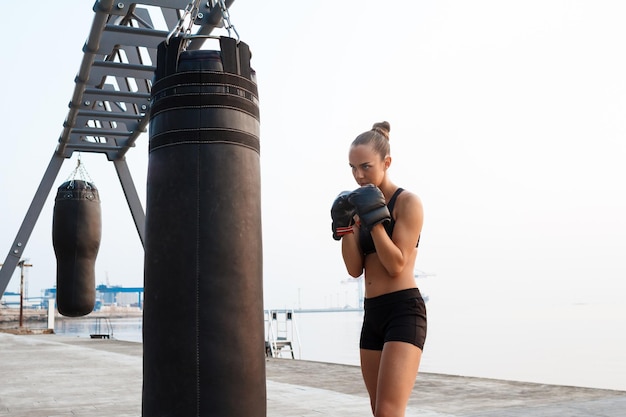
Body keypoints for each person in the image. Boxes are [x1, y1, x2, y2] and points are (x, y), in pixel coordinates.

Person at [331, 121, 427, 417]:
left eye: (365, 166)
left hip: (403, 311)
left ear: (386, 163)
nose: (358, 175)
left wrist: (374, 220)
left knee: (388, 412)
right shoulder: (358, 205)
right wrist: (347, 226)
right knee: (377, 411)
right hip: (372, 313)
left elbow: (396, 264)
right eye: (352, 168)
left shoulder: (407, 203)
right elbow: (354, 269)